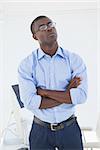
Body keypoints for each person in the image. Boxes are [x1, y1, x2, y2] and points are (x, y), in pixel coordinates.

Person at [18, 15, 88, 150]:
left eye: (50, 25)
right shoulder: (26, 65)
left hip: (70, 130)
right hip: (40, 131)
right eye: (42, 27)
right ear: (35, 36)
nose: (49, 29)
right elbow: (31, 102)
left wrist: (44, 92)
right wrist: (67, 94)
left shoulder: (74, 60)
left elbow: (80, 97)